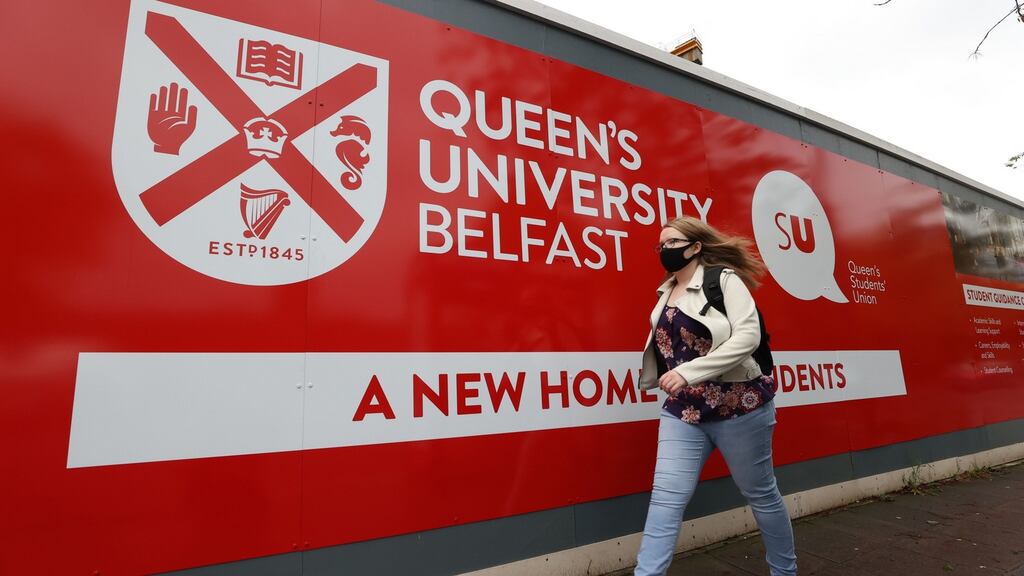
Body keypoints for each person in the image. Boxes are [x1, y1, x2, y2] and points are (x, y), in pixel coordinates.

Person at [634, 216, 797, 576]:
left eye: (673, 243)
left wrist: (687, 372)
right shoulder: (664, 293)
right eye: (660, 246)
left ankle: (784, 572)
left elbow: (747, 337)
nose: (665, 251)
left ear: (695, 247)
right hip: (684, 412)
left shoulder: (722, 280)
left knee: (761, 494)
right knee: (666, 498)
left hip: (738, 406)